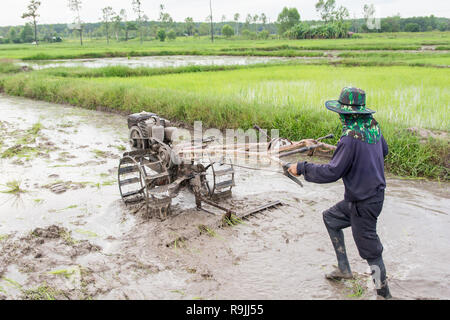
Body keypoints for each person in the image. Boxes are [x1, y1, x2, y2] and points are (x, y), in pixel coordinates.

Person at [288, 87, 392, 299]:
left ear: (346, 114)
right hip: (367, 197)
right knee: (331, 218)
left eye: (341, 114)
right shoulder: (373, 127)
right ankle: (344, 269)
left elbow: (332, 172)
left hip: (363, 203)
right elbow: (384, 151)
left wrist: (302, 168)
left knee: (371, 250)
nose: (340, 118)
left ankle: (384, 295)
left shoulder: (349, 139)